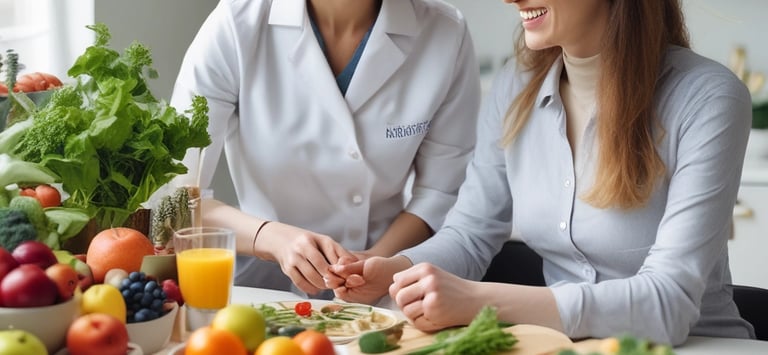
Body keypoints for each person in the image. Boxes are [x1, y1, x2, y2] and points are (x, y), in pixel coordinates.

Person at [329, 0, 756, 345]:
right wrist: (395, 269)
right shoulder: (516, 86)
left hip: (700, 345)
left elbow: (670, 303)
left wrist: (479, 300)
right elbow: (470, 234)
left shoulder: (706, 97)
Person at [167, 0, 481, 298]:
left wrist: (376, 260)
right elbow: (176, 197)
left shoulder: (445, 31)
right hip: (260, 281)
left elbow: (441, 192)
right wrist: (272, 238)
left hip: (389, 280)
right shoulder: (236, 24)